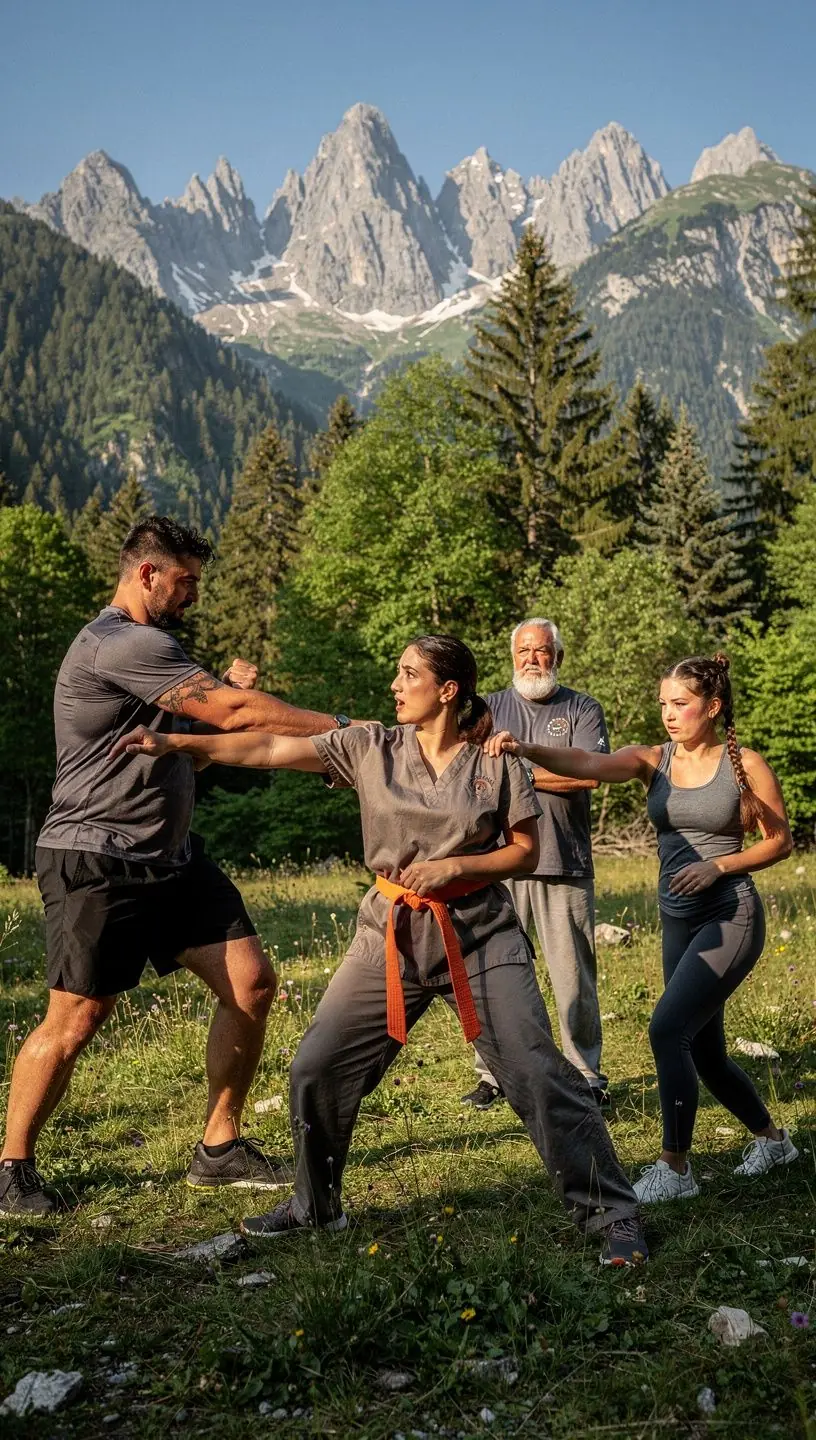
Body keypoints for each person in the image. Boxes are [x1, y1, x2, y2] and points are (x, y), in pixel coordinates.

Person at [113, 635, 648, 1265]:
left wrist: (458, 867)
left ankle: (611, 1211)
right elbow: (268, 746)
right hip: (388, 935)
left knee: (534, 1066)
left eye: (409, 674)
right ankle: (315, 1207)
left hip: (479, 934)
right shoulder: (371, 745)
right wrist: (179, 743)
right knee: (317, 1066)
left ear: (447, 690)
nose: (395, 684)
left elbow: (525, 851)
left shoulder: (494, 759)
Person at [0, 516, 350, 1218]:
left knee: (251, 984)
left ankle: (219, 1148)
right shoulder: (122, 641)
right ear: (147, 573)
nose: (194, 594)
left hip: (170, 859)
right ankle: (10, 1168)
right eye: (185, 581)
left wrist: (222, 706)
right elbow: (233, 708)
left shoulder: (154, 648)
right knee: (76, 1018)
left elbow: (185, 734)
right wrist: (347, 733)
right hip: (96, 854)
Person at [484, 653, 799, 1204]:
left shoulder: (743, 762)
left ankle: (675, 1168)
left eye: (680, 704)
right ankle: (773, 1141)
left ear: (713, 706)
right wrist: (526, 748)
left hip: (730, 915)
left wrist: (718, 864)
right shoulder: (654, 760)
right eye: (663, 704)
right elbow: (585, 763)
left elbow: (780, 841)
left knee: (665, 1031)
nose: (669, 714)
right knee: (705, 1051)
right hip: (677, 918)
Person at [463, 618, 610, 1112]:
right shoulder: (490, 708)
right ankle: (492, 1075)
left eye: (542, 651)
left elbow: (587, 777)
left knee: (573, 977)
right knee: (494, 974)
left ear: (557, 657)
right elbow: (469, 774)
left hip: (564, 861)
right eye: (523, 650)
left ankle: (587, 1075)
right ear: (512, 657)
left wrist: (520, 770)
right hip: (500, 864)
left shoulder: (582, 708)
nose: (532, 659)